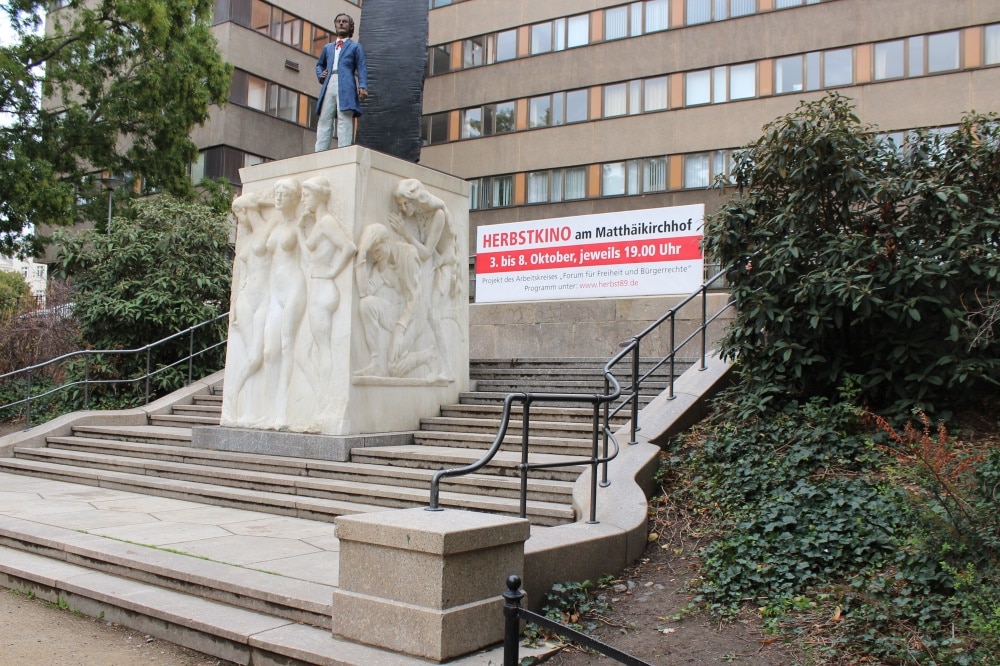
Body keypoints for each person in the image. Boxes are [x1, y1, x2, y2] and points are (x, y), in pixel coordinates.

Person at [314, 13, 368, 151]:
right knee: (325, 118)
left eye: (345, 21)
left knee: (344, 118)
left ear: (350, 26)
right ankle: (320, 151)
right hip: (329, 83)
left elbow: (361, 66)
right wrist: (321, 75)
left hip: (346, 84)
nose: (341, 23)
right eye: (339, 21)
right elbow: (319, 64)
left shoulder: (355, 47)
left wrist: (362, 85)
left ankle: (344, 150)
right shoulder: (328, 48)